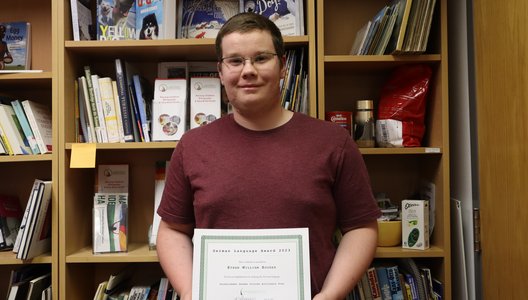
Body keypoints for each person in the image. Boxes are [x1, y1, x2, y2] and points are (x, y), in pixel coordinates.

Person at [156, 12, 381, 300]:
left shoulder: (333, 142)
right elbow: (172, 230)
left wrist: (330, 295)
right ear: (221, 71)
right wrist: (189, 293)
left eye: (261, 58)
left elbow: (361, 227)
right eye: (235, 61)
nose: (248, 70)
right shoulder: (192, 146)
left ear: (283, 66)